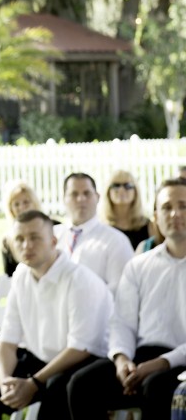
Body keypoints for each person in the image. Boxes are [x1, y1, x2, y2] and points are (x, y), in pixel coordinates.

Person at [0, 210, 112, 420]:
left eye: (34, 238)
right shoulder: (21, 275)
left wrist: (34, 383)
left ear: (52, 241)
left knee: (57, 386)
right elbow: (7, 342)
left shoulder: (79, 280)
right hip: (41, 360)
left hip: (85, 364)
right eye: (20, 239)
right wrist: (5, 382)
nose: (26, 245)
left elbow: (80, 348)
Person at [67, 179, 186, 420]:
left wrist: (161, 363)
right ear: (155, 216)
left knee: (156, 387)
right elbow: (122, 322)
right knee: (81, 384)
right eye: (166, 207)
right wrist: (122, 360)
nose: (175, 214)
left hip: (179, 361)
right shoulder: (139, 265)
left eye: (183, 206)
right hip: (138, 357)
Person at [55, 172, 134, 292]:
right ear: (64, 199)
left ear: (97, 197)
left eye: (87, 193)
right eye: (74, 194)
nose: (81, 199)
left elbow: (121, 290)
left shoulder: (116, 241)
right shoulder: (51, 236)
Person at [1, 180, 44, 276]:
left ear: (34, 203)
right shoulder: (7, 240)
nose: (21, 208)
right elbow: (9, 275)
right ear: (11, 209)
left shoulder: (53, 227)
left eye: (26, 202)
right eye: (16, 204)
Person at [101, 170, 152, 249]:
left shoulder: (149, 226)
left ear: (135, 192)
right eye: (116, 185)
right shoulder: (102, 226)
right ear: (108, 192)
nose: (121, 190)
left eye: (127, 186)